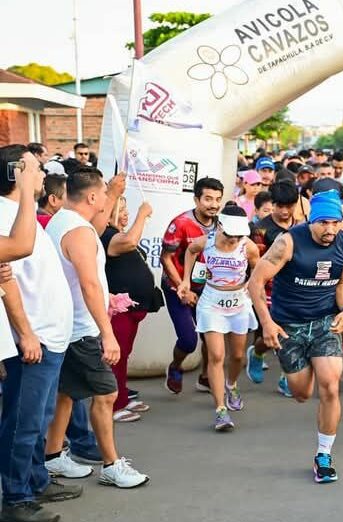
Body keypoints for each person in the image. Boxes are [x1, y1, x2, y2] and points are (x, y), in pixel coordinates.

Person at [43, 166, 150, 489]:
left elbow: (97, 227)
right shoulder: (78, 232)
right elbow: (90, 284)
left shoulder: (66, 220)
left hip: (70, 325)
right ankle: (111, 464)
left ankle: (53, 456)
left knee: (67, 393)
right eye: (104, 192)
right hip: (81, 328)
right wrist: (107, 333)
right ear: (91, 196)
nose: (107, 196)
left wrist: (115, 192)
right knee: (107, 393)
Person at [248, 191, 343, 482]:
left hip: (324, 323)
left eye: (335, 222)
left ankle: (323, 455)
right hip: (288, 326)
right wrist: (267, 324)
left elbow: (342, 282)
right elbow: (256, 282)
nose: (330, 230)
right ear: (310, 220)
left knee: (330, 386)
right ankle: (256, 351)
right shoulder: (287, 242)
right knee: (301, 394)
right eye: (323, 223)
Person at [0, 144, 78, 522]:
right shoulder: (5, 213)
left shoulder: (22, 211)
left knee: (37, 417)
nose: (42, 174)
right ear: (15, 172)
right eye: (34, 168)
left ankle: (34, 481)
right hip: (33, 339)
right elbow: (7, 281)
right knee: (22, 421)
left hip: (50, 336)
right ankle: (16, 497)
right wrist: (25, 333)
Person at [177, 205, 260, 431]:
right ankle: (221, 410)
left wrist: (259, 300)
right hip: (212, 301)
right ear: (221, 226)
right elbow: (190, 251)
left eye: (239, 234)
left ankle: (231, 384)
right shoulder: (206, 241)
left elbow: (258, 275)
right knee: (216, 355)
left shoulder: (249, 247)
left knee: (238, 356)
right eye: (232, 234)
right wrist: (185, 279)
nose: (235, 239)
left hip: (239, 303)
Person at [161, 178, 224, 394]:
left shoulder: (222, 224)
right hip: (176, 287)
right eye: (208, 199)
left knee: (211, 335)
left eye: (217, 199)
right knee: (188, 340)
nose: (213, 204)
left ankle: (206, 377)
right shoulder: (180, 223)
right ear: (197, 199)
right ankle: (175, 366)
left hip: (207, 289)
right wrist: (182, 288)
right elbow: (166, 258)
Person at [102, 196, 157, 423]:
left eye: (127, 209)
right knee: (117, 356)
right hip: (118, 310)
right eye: (121, 210)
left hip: (133, 306)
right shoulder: (105, 236)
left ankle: (122, 396)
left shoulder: (117, 234)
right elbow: (130, 242)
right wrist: (142, 215)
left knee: (123, 355)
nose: (125, 214)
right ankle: (114, 405)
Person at [247, 182, 300, 395]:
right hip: (268, 289)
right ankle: (257, 352)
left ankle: (286, 378)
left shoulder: (301, 227)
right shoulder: (260, 228)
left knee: (292, 333)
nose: (285, 211)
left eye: (290, 206)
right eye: (280, 206)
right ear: (273, 204)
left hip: (295, 288)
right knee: (274, 335)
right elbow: (256, 263)